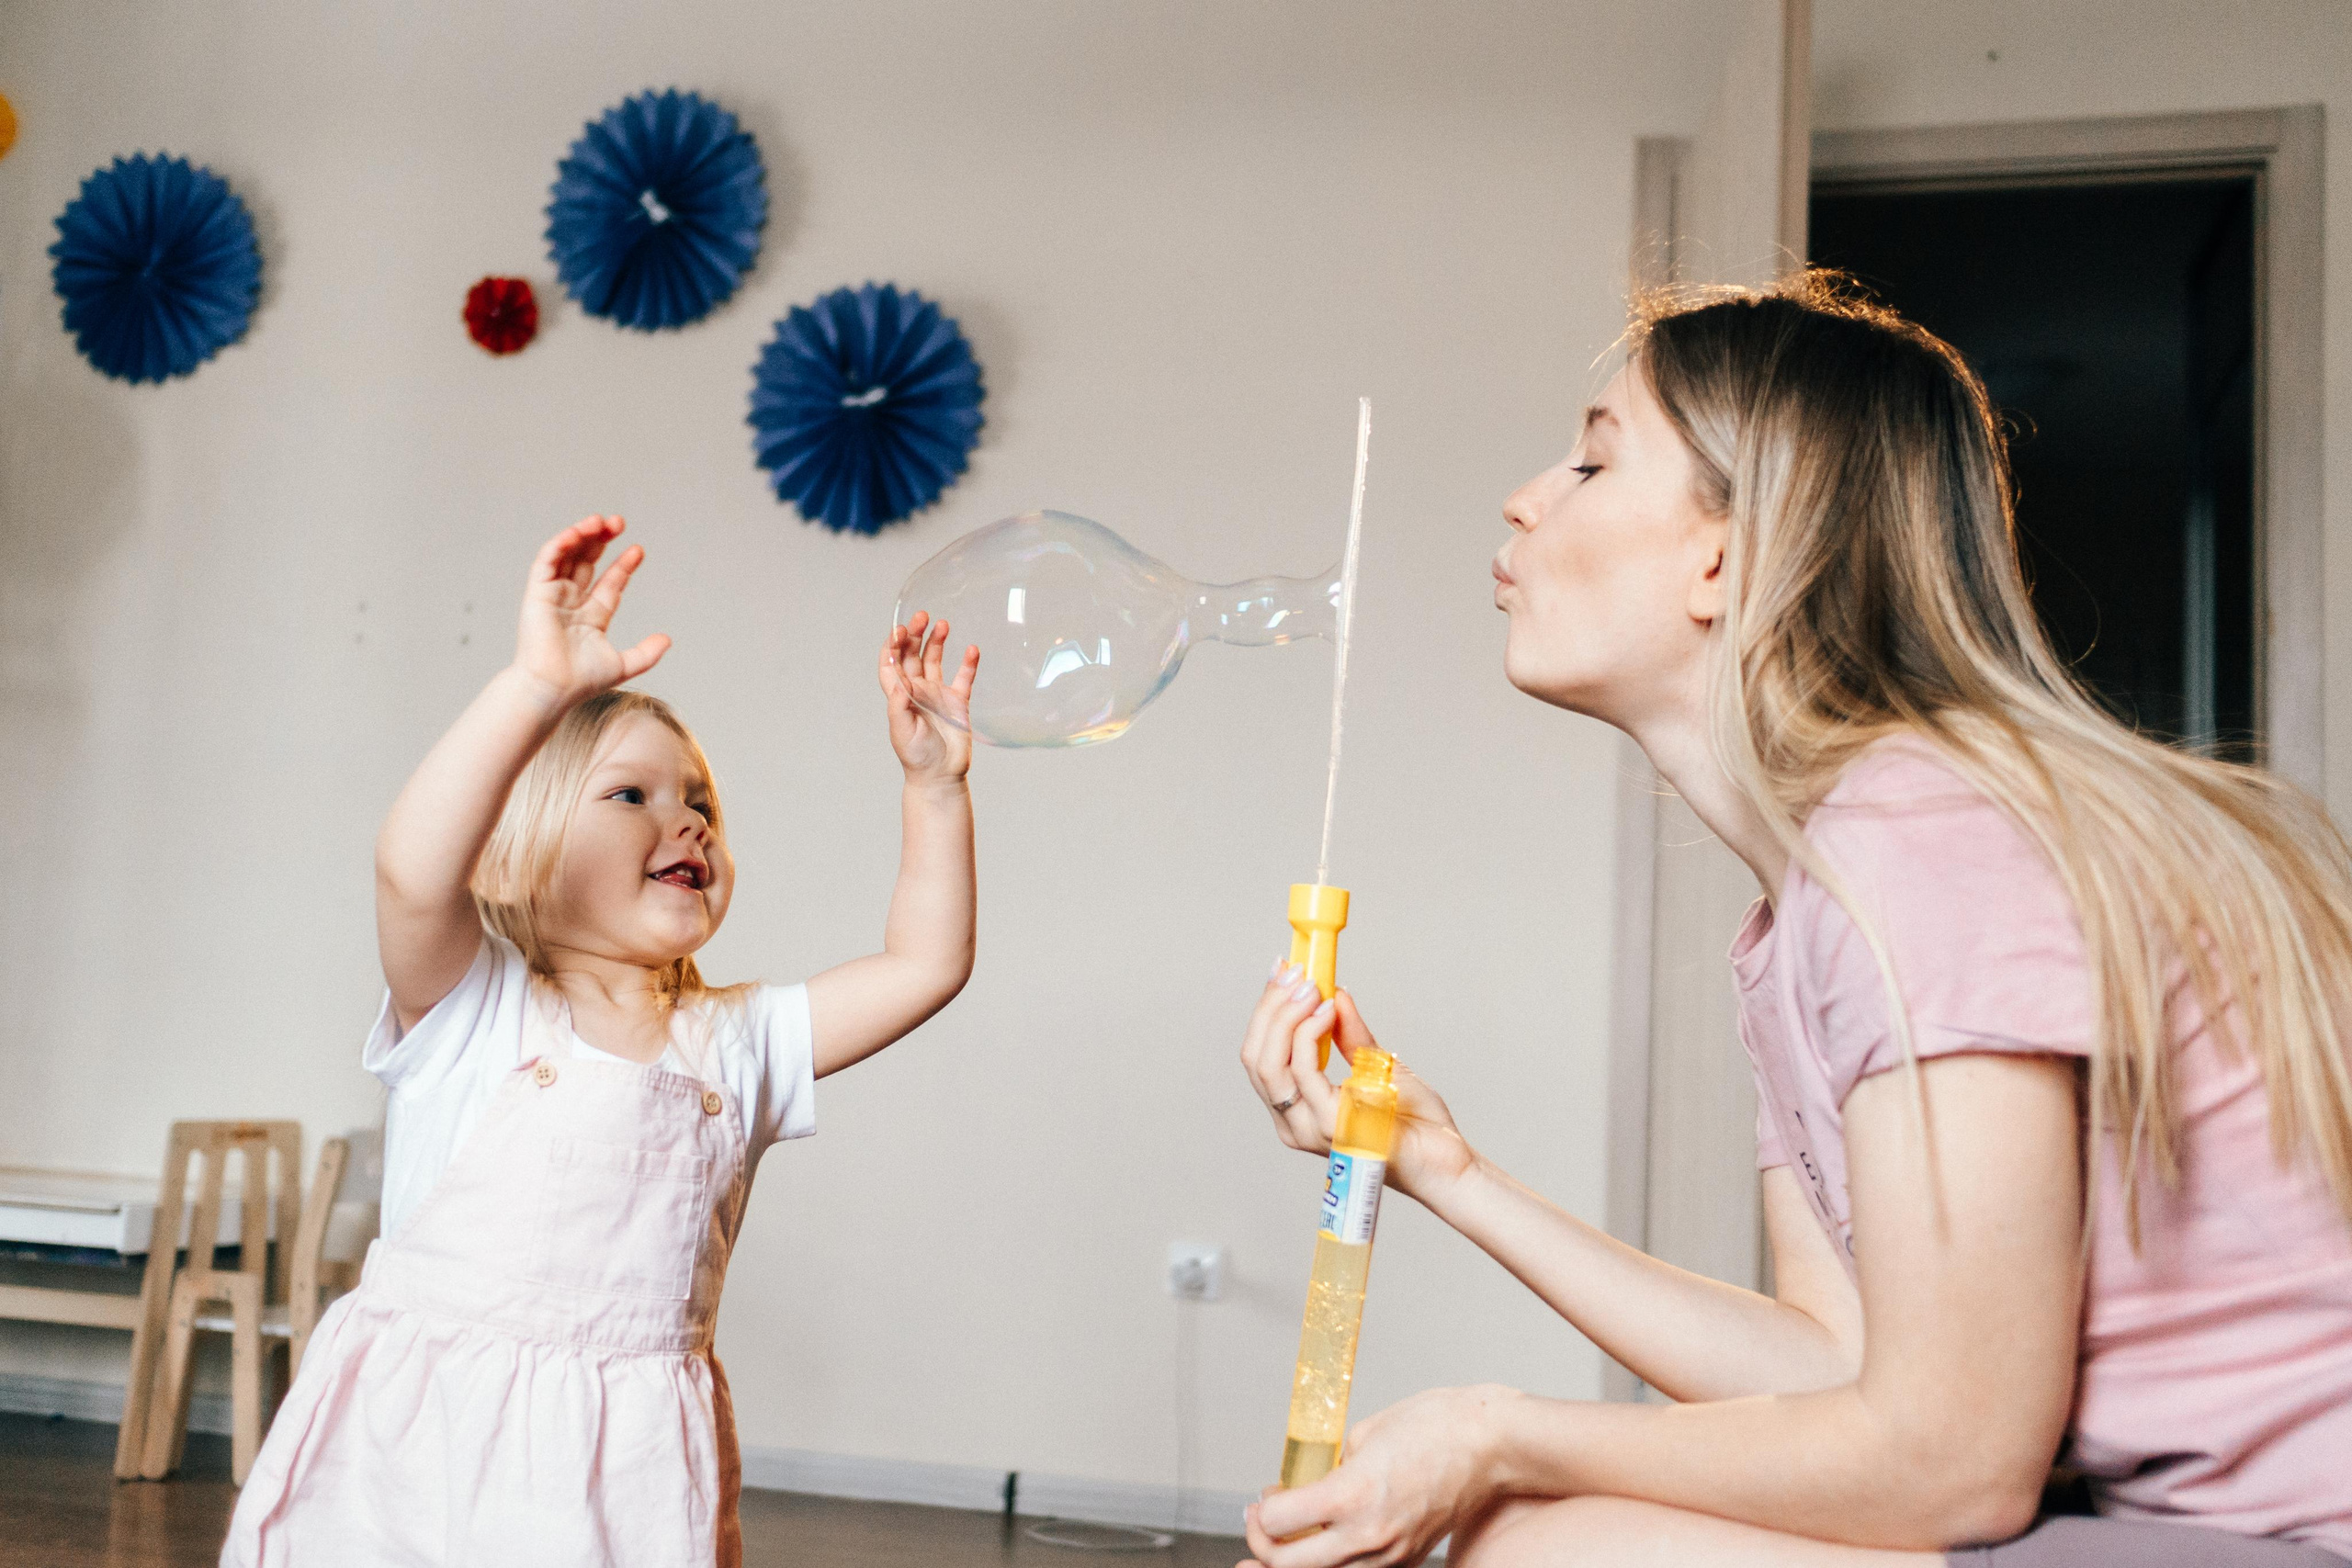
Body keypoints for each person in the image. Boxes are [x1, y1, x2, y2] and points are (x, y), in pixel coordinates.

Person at [1238, 275, 2352, 1568]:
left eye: (1593, 460)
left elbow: (1952, 1461)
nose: (1525, 497)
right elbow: (1838, 1364)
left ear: (1725, 555)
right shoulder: (1813, 906)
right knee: (1534, 1533)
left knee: (1538, 1541)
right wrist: (1451, 1172)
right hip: (2188, 1528)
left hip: (2299, 1534)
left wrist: (1502, 1431)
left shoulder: (1924, 845)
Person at [221, 515, 979, 1566]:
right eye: (631, 795)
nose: (690, 823)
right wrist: (536, 687)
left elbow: (924, 966)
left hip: (629, 1479)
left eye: (700, 801)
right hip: (427, 1462)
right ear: (521, 847)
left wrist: (934, 786)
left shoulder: (738, 1042)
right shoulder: (472, 1010)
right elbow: (410, 868)